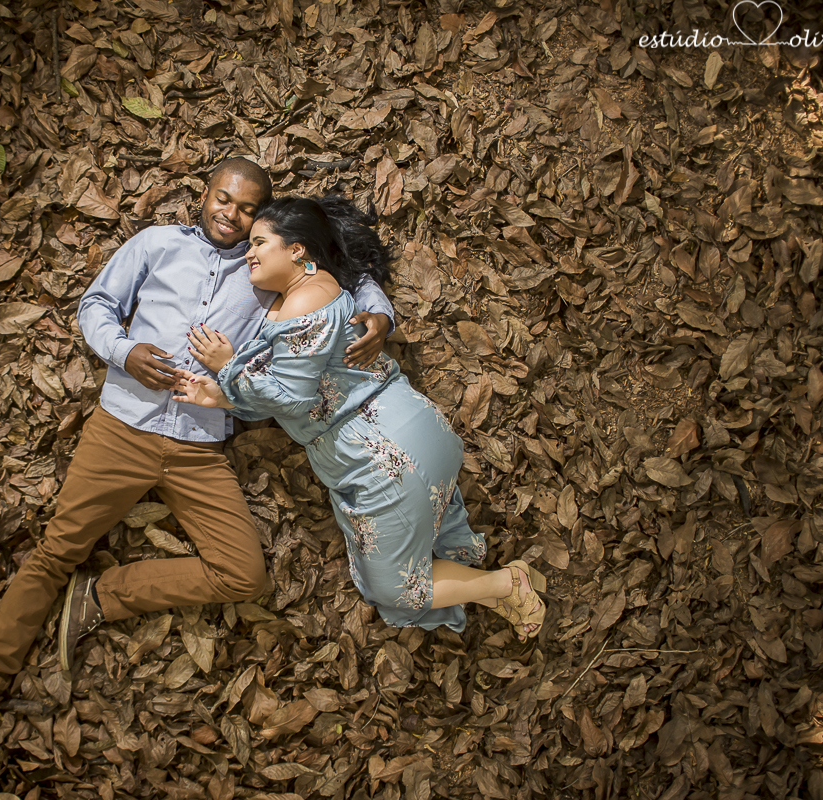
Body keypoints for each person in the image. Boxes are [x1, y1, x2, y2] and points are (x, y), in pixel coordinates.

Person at [0, 160, 396, 735]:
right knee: (56, 550)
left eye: (248, 210)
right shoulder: (158, 244)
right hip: (121, 429)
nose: (232, 215)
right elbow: (96, 305)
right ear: (205, 193)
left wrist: (380, 314)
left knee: (244, 575)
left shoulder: (264, 265)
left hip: (198, 444)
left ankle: (102, 595)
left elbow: (344, 270)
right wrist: (125, 353)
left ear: (261, 219)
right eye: (224, 199)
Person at [174, 196, 547, 640]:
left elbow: (292, 400)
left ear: (296, 249)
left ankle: (507, 583)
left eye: (259, 243)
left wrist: (229, 366)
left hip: (381, 457)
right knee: (413, 561)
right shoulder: (319, 290)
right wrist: (224, 398)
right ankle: (500, 593)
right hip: (417, 426)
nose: (249, 253)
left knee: (393, 588)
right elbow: (300, 387)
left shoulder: (301, 303)